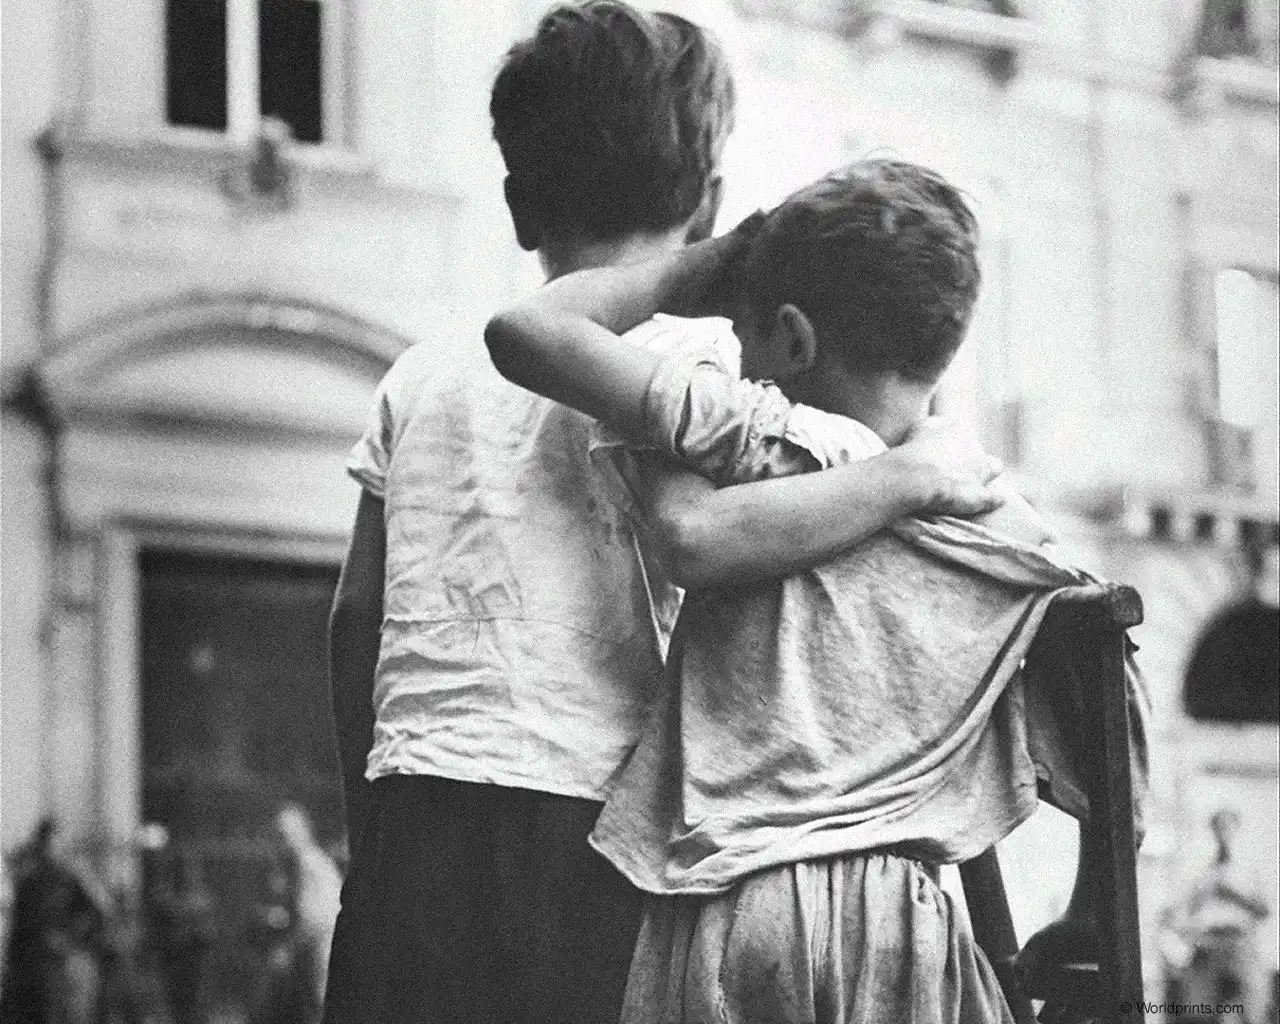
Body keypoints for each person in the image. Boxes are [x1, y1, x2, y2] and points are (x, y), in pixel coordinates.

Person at [323, 6, 1007, 1023]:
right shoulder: (695, 365)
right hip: (599, 830)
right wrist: (910, 471)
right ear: (711, 205)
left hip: (415, 816)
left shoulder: (419, 375)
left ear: (518, 207)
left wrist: (371, 826)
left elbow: (355, 619)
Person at [486, 158, 1150, 1023]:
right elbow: (1112, 696)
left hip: (727, 913)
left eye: (745, 338)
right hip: (904, 927)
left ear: (793, 340)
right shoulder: (1002, 525)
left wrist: (701, 267)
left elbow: (526, 330)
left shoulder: (766, 441)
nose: (739, 360)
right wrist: (1089, 909)